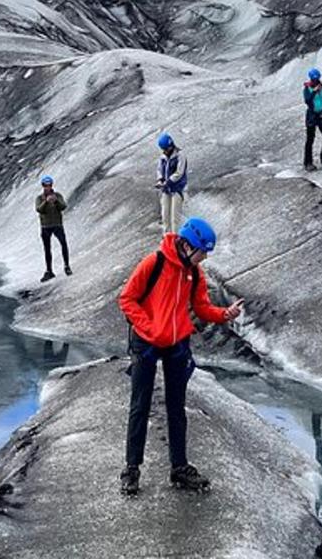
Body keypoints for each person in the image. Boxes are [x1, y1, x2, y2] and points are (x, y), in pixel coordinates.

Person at [118, 217, 243, 495]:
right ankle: (132, 469)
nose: (205, 257)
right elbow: (127, 298)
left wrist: (225, 314)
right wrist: (150, 328)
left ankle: (179, 468)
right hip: (146, 344)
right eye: (203, 251)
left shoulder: (195, 272)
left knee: (177, 407)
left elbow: (201, 307)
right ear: (187, 246)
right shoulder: (154, 263)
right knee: (140, 404)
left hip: (176, 345)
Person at [35, 175, 71, 281]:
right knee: (47, 249)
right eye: (46, 185)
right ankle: (49, 270)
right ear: (43, 186)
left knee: (63, 244)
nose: (48, 187)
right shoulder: (39, 198)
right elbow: (39, 209)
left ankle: (67, 266)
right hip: (45, 227)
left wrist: (56, 201)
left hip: (57, 225)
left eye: (49, 185)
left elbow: (63, 207)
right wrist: (46, 201)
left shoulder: (58, 195)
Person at [156, 133, 188, 234]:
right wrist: (160, 179)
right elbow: (159, 169)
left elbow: (179, 173)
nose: (165, 151)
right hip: (166, 190)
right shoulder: (163, 157)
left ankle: (175, 240)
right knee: (165, 215)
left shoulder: (180, 155)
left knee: (175, 217)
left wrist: (168, 182)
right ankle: (167, 238)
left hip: (176, 189)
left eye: (167, 148)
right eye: (164, 149)